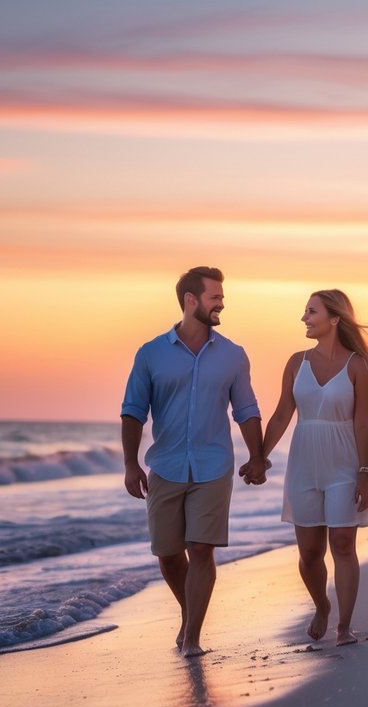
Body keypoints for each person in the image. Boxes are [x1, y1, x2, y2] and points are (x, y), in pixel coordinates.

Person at [121, 266, 266, 658]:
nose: (222, 303)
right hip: (165, 465)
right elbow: (133, 411)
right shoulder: (150, 354)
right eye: (215, 297)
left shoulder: (233, 355)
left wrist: (258, 457)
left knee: (201, 548)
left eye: (221, 296)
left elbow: (247, 409)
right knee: (168, 555)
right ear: (191, 300)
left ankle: (192, 638)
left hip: (213, 465)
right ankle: (190, 615)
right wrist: (131, 465)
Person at [247, 289, 368, 647]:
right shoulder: (297, 363)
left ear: (335, 319)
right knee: (309, 554)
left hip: (344, 465)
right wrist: (260, 457)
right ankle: (322, 605)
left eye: (311, 312)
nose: (304, 319)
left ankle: (344, 626)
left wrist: (364, 471)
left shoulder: (358, 366)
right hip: (304, 465)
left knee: (342, 543)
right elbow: (282, 414)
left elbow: (362, 424)